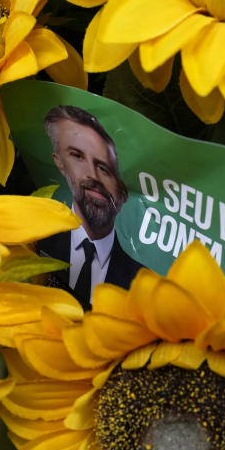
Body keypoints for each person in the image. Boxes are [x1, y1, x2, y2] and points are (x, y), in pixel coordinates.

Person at [38, 105, 143, 308]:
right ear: (59, 162)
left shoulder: (144, 284)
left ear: (124, 192)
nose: (92, 176)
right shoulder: (31, 238)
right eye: (77, 156)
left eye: (104, 168)